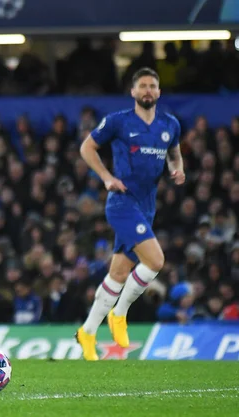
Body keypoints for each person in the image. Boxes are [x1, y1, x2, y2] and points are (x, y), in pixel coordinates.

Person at [75, 67, 186, 360]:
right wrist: (105, 177)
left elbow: (174, 151)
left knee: (119, 273)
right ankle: (119, 314)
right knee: (156, 260)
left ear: (159, 92)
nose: (148, 90)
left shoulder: (170, 124)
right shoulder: (118, 122)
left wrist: (178, 168)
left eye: (152, 86)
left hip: (147, 205)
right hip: (122, 202)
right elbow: (87, 147)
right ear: (133, 92)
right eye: (143, 86)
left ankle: (86, 332)